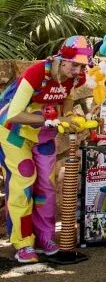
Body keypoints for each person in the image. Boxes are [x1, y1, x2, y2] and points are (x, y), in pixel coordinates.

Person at [0, 36, 92, 263]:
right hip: (14, 131)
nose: (78, 70)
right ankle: (22, 242)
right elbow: (14, 114)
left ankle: (45, 238)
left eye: (83, 66)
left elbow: (67, 95)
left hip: (42, 134)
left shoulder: (74, 77)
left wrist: (68, 115)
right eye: (75, 64)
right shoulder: (36, 73)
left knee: (47, 186)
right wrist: (53, 121)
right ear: (61, 59)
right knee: (24, 178)